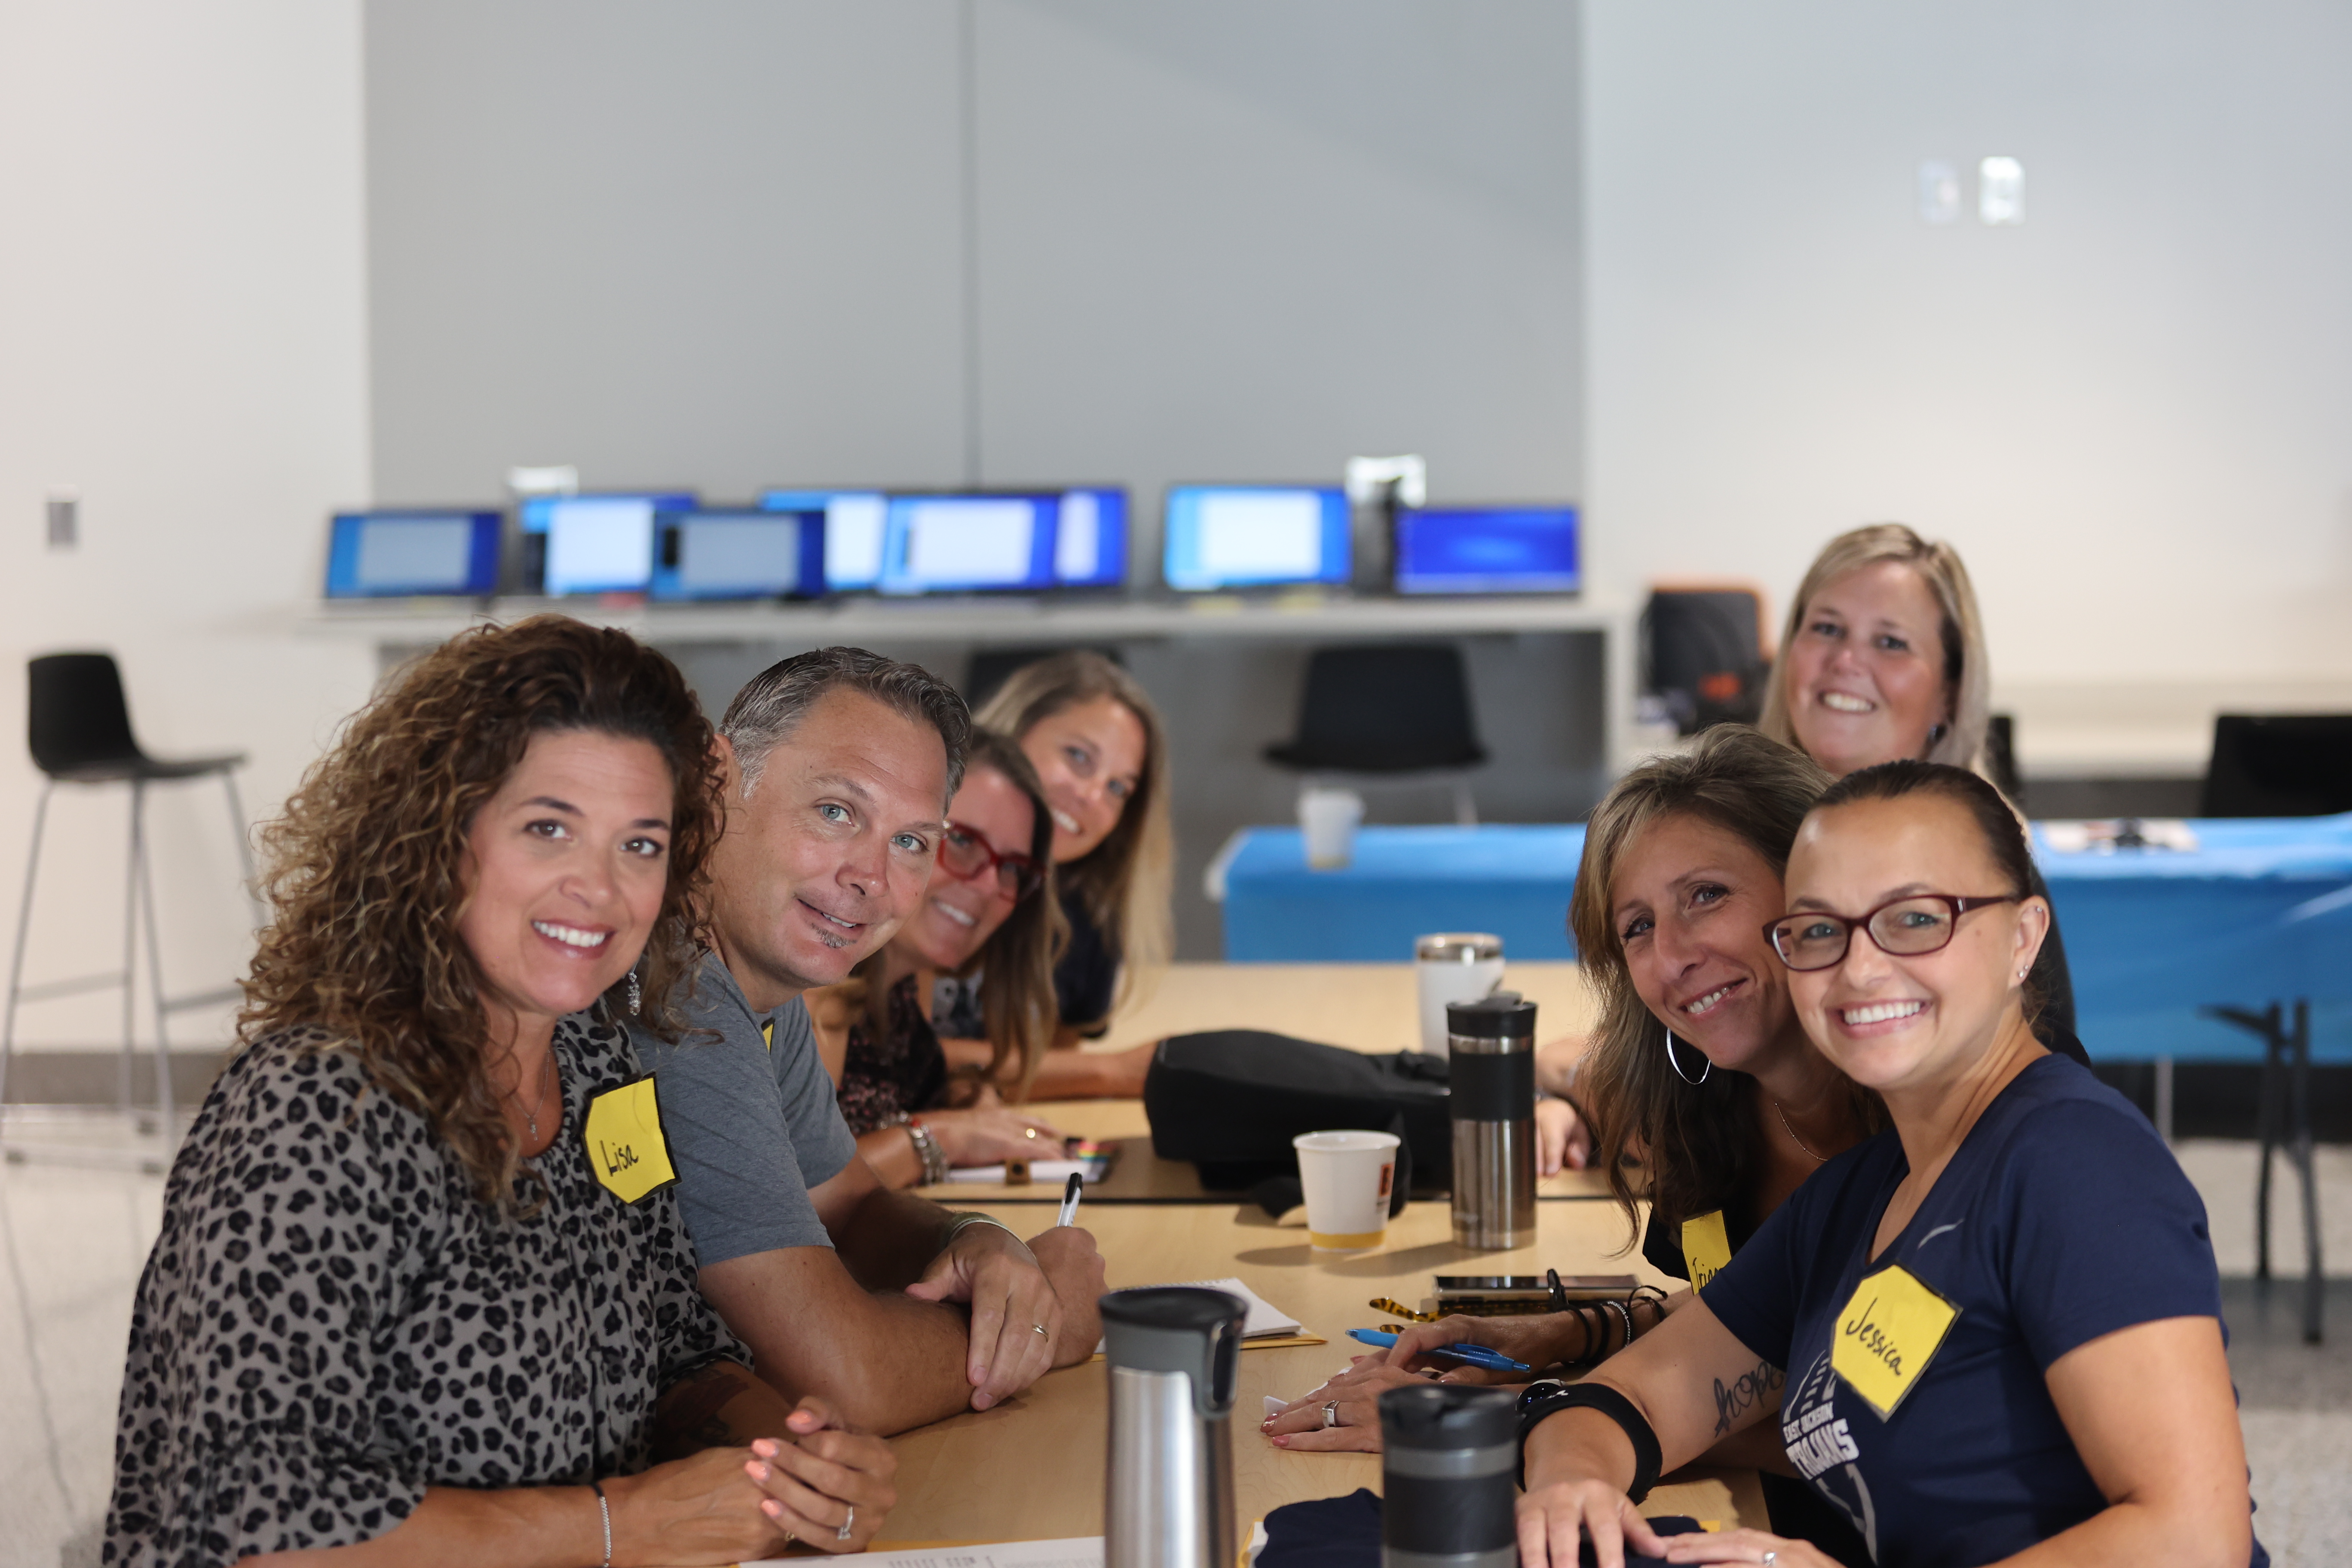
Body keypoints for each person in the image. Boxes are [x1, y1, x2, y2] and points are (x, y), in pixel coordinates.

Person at [105, 616, 897, 1564]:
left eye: (640, 845)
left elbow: (682, 1353)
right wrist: (619, 1526)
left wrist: (793, 1458)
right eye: (548, 829)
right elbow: (259, 1518)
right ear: (438, 840)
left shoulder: (600, 1070)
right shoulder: (316, 1110)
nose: (598, 888)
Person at [1516, 761, 2263, 1568]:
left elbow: (2194, 1539)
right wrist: (1571, 1483)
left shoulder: (2075, 1160)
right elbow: (1630, 1396)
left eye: (1914, 918)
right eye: (1820, 930)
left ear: (2022, 939)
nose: (1860, 967)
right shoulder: (1856, 1196)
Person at [1264, 727, 1878, 1564]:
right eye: (1636, 927)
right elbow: (1769, 1328)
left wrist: (1502, 1414)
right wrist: (1570, 1338)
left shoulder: (1931, 1123)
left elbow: (1869, 1410)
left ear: (1809, 890)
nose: (1672, 955)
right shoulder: (1706, 1104)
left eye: (1706, 895)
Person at [629, 647, 1108, 1439]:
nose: (874, 878)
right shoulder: (683, 988)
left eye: (914, 841)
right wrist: (1043, 1322)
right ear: (718, 790)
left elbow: (850, 1207)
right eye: (836, 812)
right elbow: (839, 1379)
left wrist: (979, 1242)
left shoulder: (765, 991)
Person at [1535, 522, 2079, 1173]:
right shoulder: (1729, 826)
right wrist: (1586, 1098)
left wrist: (1585, 1077)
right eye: (1824, 629)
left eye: (1890, 641)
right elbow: (1688, 1071)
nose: (1847, 661)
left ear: (1951, 693)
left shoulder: (1986, 882)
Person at [807, 728, 1072, 1186]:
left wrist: (964, 1098)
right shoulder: (814, 984)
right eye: (964, 842)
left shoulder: (909, 972)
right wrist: (944, 1137)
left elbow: (889, 1097)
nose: (989, 885)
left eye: (1012, 869)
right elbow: (802, 1190)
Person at [943, 650, 1174, 1099]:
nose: (1091, 796)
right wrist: (1113, 1073)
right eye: (1077, 756)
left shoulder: (1090, 903)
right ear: (1010, 735)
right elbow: (878, 1056)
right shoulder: (916, 862)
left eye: (1117, 788)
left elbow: (1050, 1064)